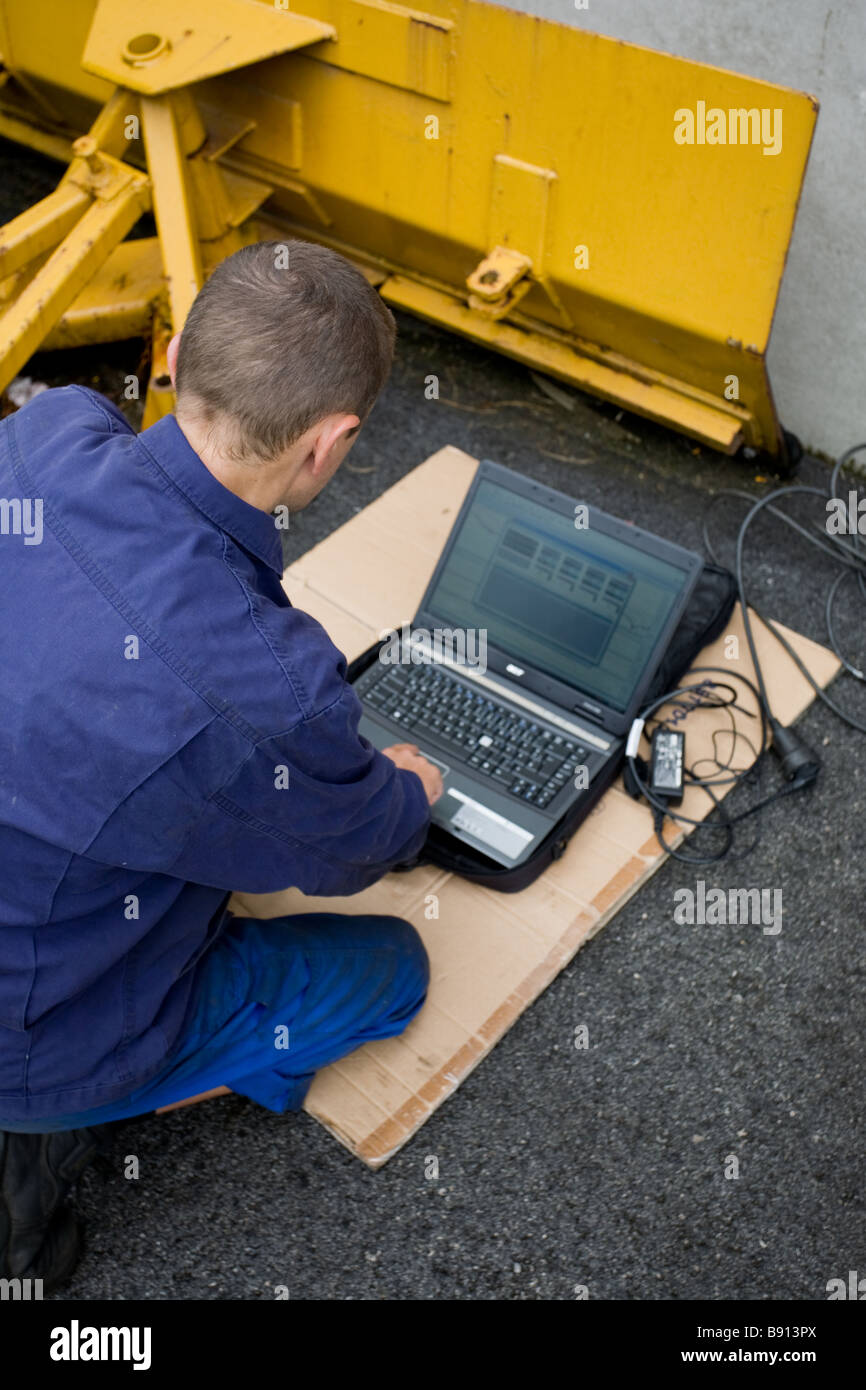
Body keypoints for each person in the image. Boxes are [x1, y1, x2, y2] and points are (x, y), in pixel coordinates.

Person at [0, 240, 443, 1292]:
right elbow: (352, 851)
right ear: (329, 444)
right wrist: (408, 790)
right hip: (36, 1031)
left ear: (175, 359)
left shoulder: (46, 429)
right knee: (392, 973)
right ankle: (64, 1115)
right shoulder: (261, 688)